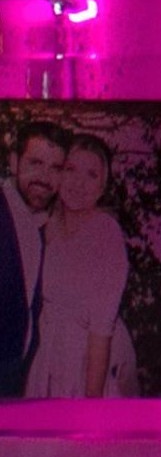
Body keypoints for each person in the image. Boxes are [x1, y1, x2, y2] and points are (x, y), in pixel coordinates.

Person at [24, 133, 131, 401]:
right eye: (71, 170)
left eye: (91, 175)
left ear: (103, 186)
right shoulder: (44, 228)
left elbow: (101, 332)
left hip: (85, 371)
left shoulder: (106, 234)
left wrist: (90, 406)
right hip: (45, 368)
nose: (78, 183)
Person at [1, 125, 66, 401]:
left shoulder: (41, 227)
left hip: (13, 381)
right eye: (36, 163)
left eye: (55, 168)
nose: (44, 177)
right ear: (14, 162)